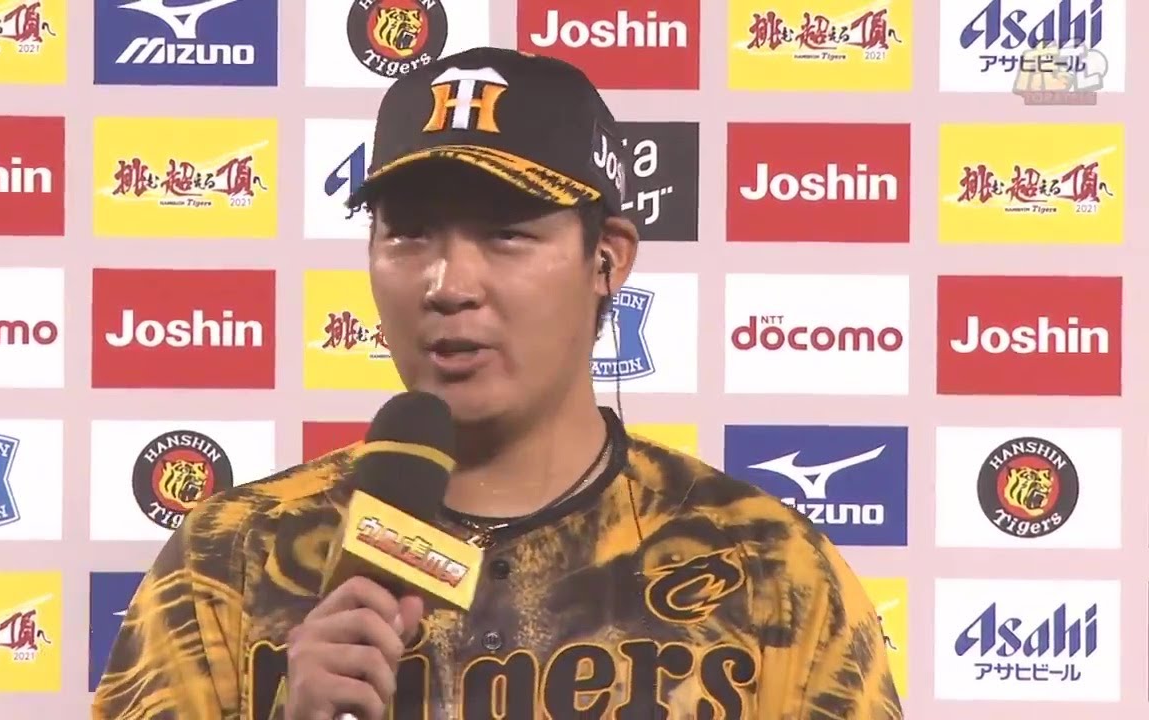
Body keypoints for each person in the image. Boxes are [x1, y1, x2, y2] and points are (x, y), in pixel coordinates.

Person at [90, 46, 904, 720]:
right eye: (409, 234)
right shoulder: (233, 554)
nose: (448, 283)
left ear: (607, 258)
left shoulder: (766, 567)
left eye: (506, 234)